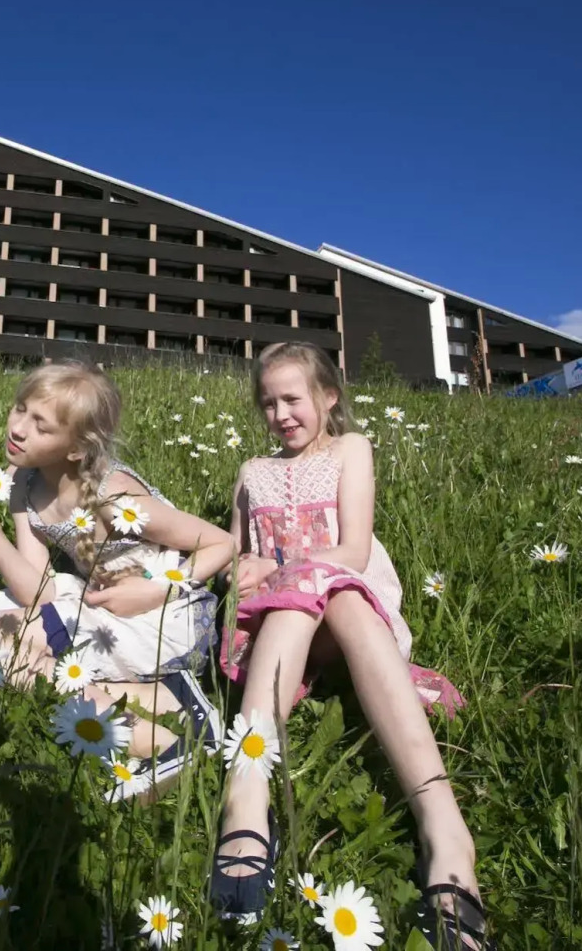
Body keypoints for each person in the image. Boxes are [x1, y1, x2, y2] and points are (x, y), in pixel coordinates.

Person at [210, 342, 487, 947]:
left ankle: (443, 823)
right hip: (283, 630)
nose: (280, 414)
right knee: (295, 593)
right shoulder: (250, 474)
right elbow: (238, 554)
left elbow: (354, 550)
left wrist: (287, 571)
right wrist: (248, 568)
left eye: (292, 398)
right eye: (267, 403)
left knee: (329, 587)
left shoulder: (350, 450)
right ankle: (247, 791)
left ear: (329, 397)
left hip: (349, 608)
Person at [0, 362, 233, 790]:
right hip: (99, 602)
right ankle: (169, 699)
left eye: (41, 425)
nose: (18, 428)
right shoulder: (23, 483)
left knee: (0, 644)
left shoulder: (113, 496)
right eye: (20, 410)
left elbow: (221, 543)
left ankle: (163, 743)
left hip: (168, 614)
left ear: (76, 449)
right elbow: (35, 590)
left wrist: (155, 591)